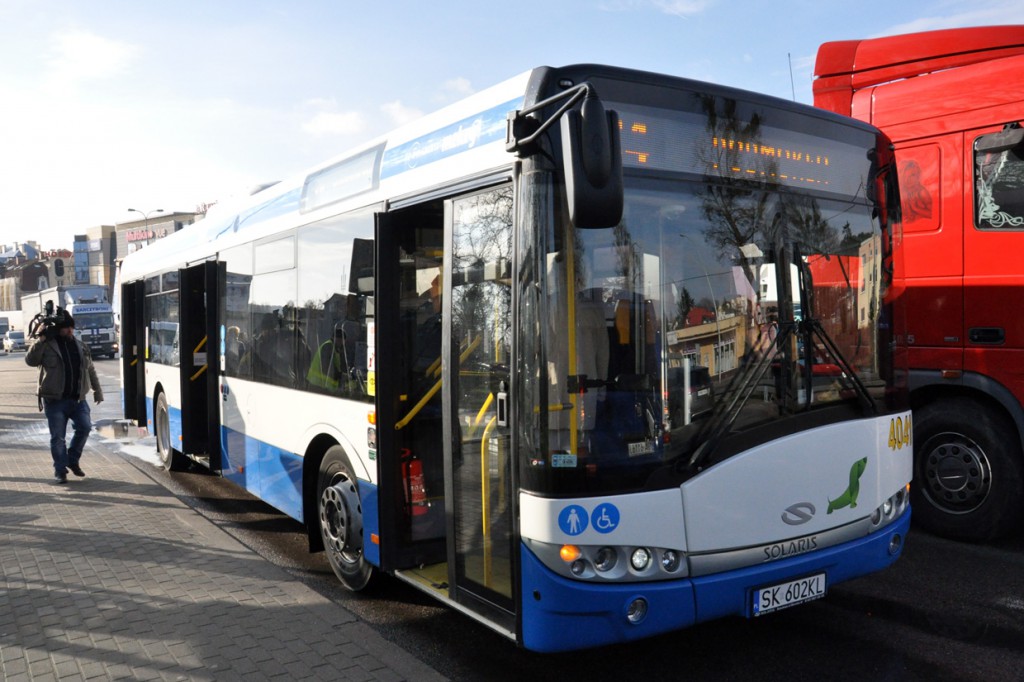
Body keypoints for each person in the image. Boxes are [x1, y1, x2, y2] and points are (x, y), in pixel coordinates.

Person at [25, 310, 103, 484]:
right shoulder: (47, 345)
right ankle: (60, 471)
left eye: (71, 327)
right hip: (55, 400)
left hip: (78, 399)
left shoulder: (81, 346)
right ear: (58, 329)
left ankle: (72, 460)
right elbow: (30, 360)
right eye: (66, 328)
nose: (70, 330)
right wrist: (41, 339)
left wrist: (97, 390)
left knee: (85, 428)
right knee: (58, 438)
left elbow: (90, 370)